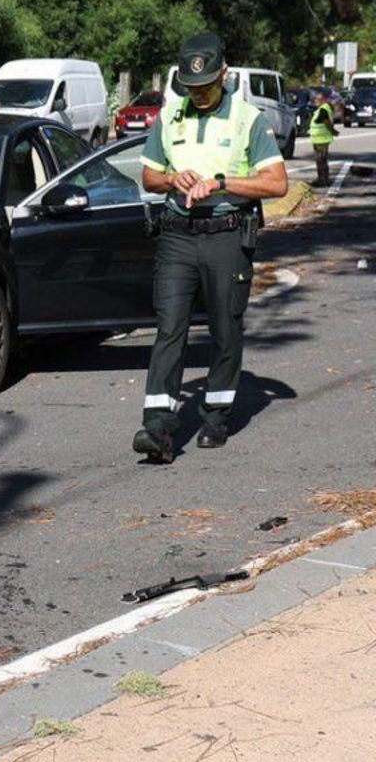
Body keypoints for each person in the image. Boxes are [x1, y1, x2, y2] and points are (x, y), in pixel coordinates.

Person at [133, 32, 288, 463]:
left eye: (205, 86)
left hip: (226, 234)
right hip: (178, 235)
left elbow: (277, 183)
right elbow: (149, 177)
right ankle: (158, 429)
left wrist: (221, 182)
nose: (198, 94)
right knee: (170, 328)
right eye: (190, 87)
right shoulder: (170, 117)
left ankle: (216, 416)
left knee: (225, 327)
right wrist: (172, 179)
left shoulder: (247, 119)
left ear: (224, 73)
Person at [309, 88, 338, 187]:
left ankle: (322, 180)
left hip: (321, 139)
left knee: (320, 160)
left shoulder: (323, 109)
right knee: (322, 160)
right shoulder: (323, 108)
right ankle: (324, 179)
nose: (315, 101)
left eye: (318, 99)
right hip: (320, 138)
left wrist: (333, 131)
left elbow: (326, 122)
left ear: (324, 99)